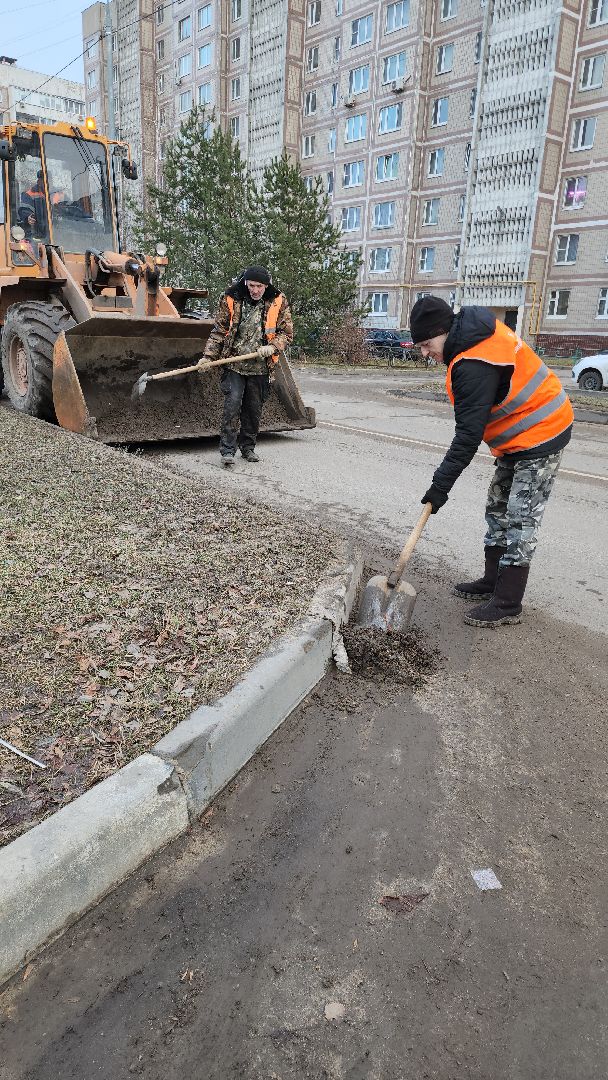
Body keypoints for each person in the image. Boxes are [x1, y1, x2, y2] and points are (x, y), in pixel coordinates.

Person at [410, 295, 574, 628]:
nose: (425, 353)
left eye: (427, 344)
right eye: (420, 346)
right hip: (517, 438)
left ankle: (508, 602)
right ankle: (492, 581)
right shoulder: (465, 343)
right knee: (497, 505)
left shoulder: (473, 363)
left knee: (521, 516)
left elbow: (467, 437)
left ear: (444, 331)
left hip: (543, 431)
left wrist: (440, 486)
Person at [203, 266, 294, 466]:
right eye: (251, 285)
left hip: (261, 367)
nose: (255, 290)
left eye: (259, 286)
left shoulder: (278, 300)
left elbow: (286, 334)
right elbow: (219, 331)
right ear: (245, 282)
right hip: (234, 363)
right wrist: (208, 357)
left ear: (266, 285)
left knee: (253, 410)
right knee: (232, 406)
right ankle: (227, 451)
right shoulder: (231, 297)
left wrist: (272, 346)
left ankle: (248, 448)